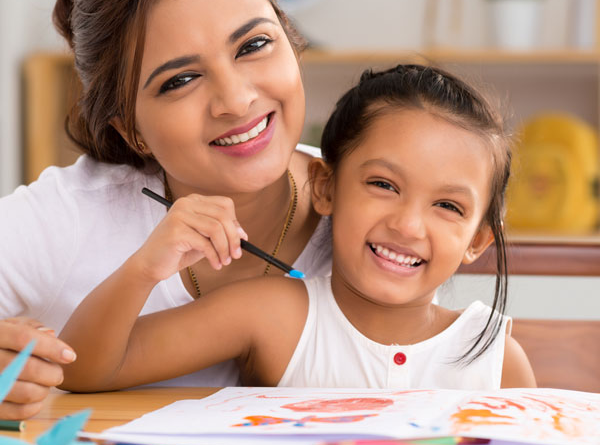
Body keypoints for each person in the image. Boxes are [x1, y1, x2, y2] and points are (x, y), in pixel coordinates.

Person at [0, 0, 331, 419]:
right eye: (180, 80)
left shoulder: (370, 200)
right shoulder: (72, 214)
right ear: (130, 128)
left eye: (253, 45)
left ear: (292, 40)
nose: (235, 100)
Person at [59, 64, 537, 392]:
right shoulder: (272, 316)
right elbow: (86, 369)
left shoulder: (498, 361)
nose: (408, 224)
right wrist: (145, 268)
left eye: (448, 206)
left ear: (477, 240)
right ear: (325, 188)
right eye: (383, 184)